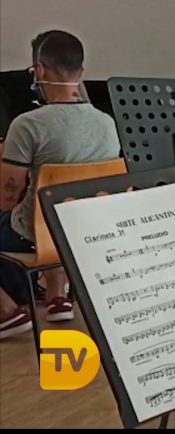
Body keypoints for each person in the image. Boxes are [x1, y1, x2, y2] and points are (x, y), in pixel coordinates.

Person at [0, 30, 120, 339]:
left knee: (34, 215)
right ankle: (57, 297)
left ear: (39, 70)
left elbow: (6, 200)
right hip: (84, 233)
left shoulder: (28, 124)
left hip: (35, 236)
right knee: (55, 210)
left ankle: (7, 313)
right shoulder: (108, 124)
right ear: (80, 71)